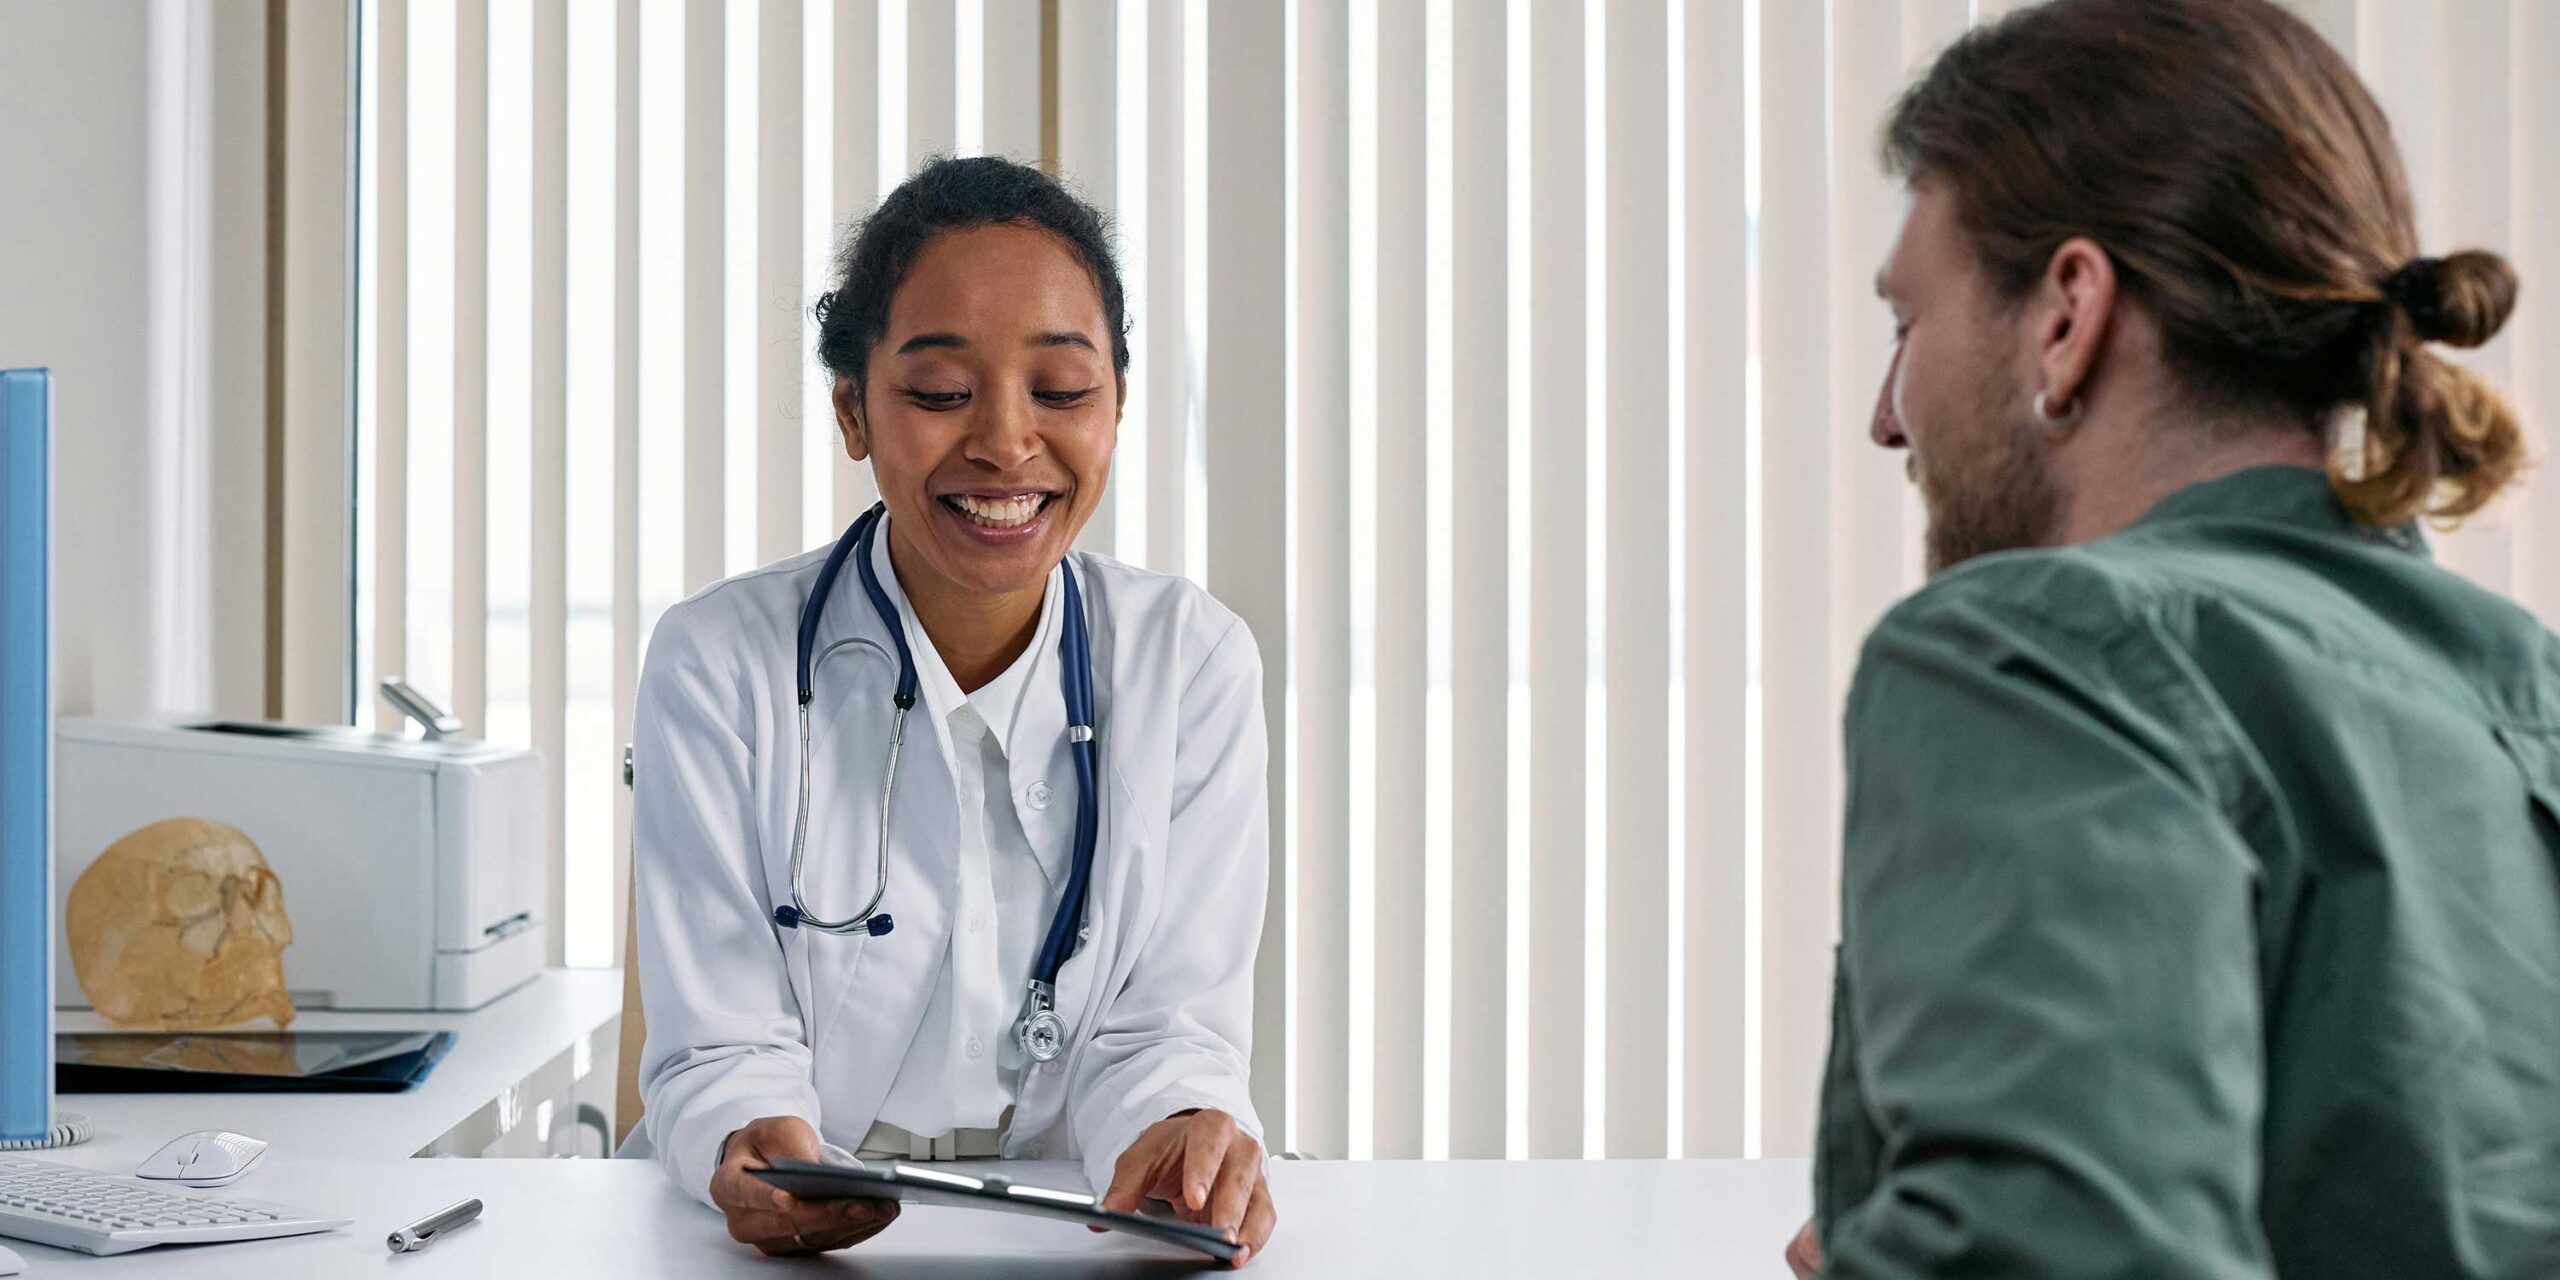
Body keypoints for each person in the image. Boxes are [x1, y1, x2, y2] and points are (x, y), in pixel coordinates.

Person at [1793, 0, 2560, 1275]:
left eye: (1906, 323)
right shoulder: (2527, 692)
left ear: (2066, 311)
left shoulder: (2037, 650)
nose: (1888, 416)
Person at [627, 156, 1277, 1264]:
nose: (1005, 442)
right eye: (938, 393)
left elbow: (1168, 1026)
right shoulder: (717, 662)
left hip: (1081, 1233)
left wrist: (1179, 1132)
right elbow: (720, 1040)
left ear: (1116, 406)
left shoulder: (1190, 661)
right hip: (780, 1246)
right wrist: (755, 1141)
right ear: (852, 408)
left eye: (1062, 391)